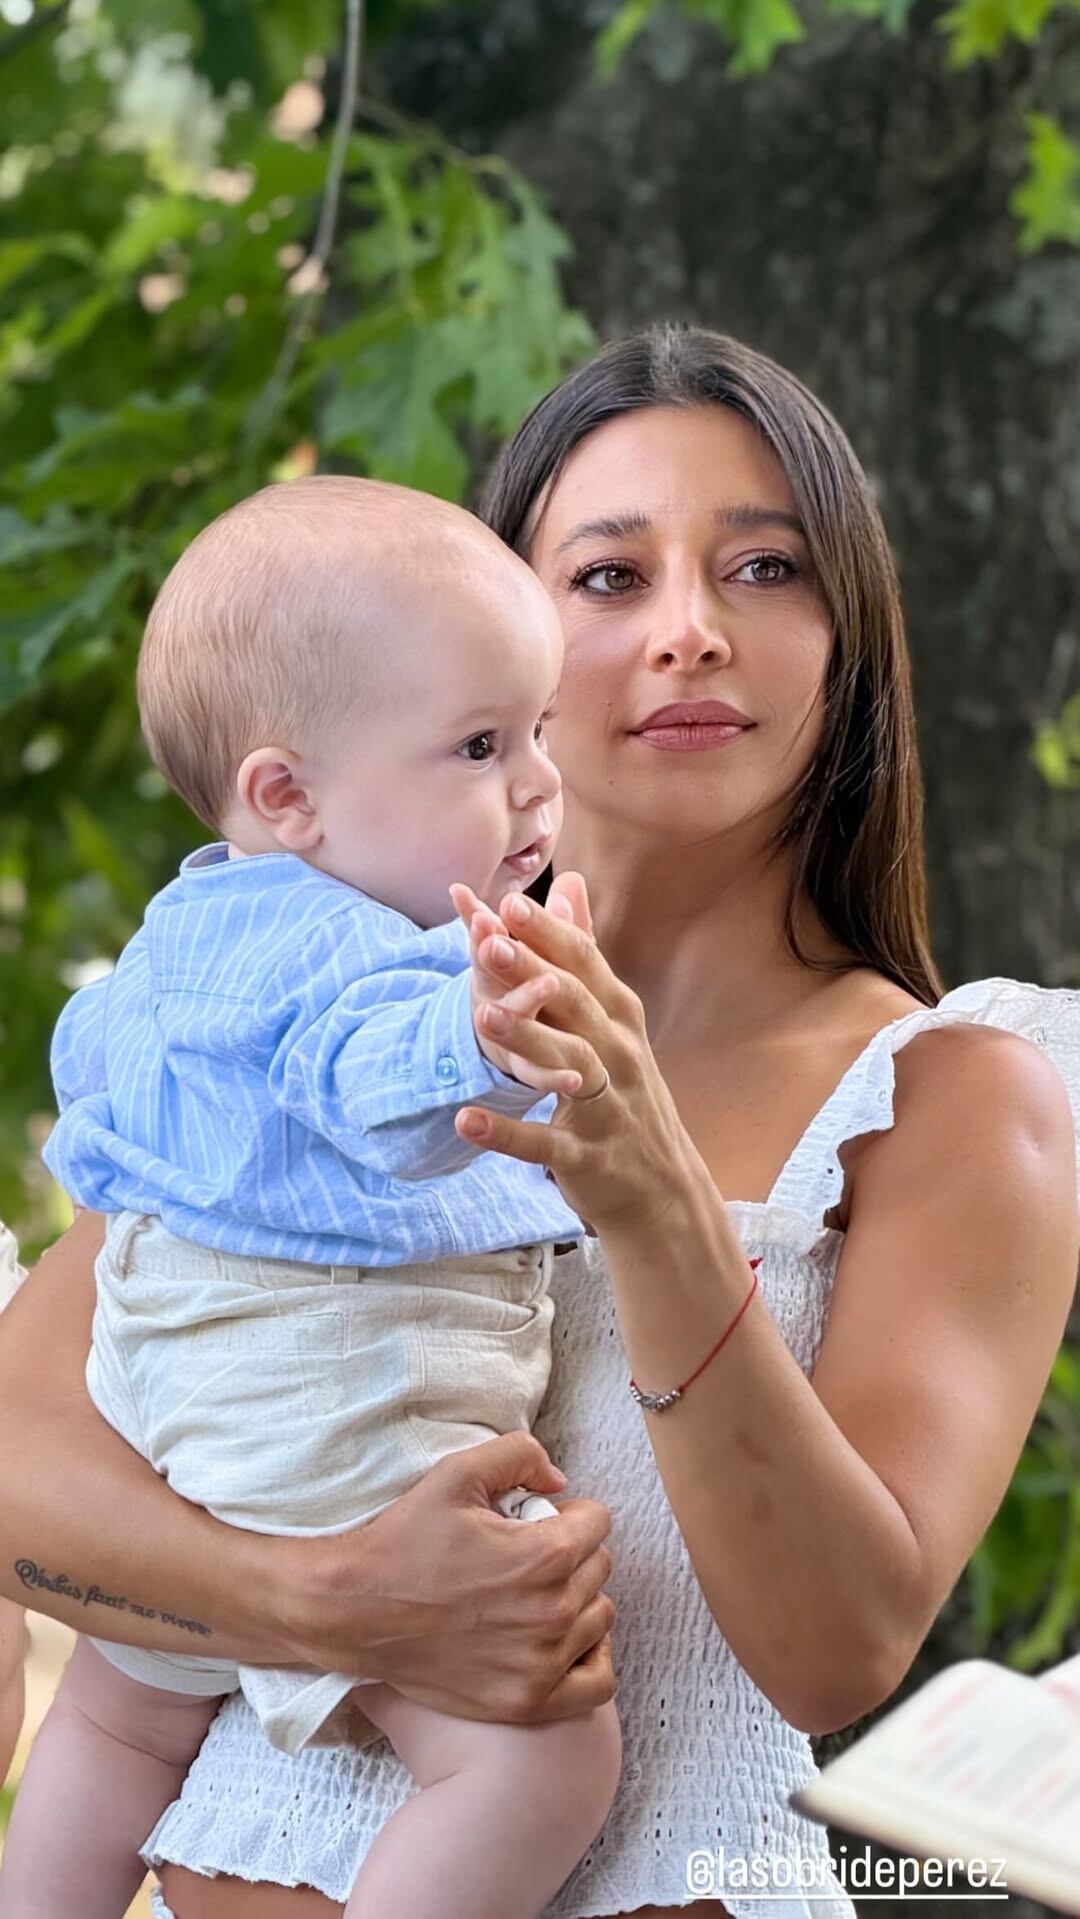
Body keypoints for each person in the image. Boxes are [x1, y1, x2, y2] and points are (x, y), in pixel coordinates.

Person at [2, 325, 1078, 1919]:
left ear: (848, 640)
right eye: (609, 577)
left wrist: (650, 1199)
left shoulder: (951, 1093)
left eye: (767, 568)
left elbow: (835, 1646)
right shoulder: (298, 1011)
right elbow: (19, 1467)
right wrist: (325, 1600)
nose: (692, 632)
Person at [0, 479, 621, 1919]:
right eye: (481, 745)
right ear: (288, 798)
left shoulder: (190, 931)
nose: (539, 782)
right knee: (544, 1760)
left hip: (171, 1402)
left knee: (118, 1720)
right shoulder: (362, 953)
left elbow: (107, 1113)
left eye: (537, 730)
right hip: (334, 1400)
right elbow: (373, 1080)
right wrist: (487, 1032)